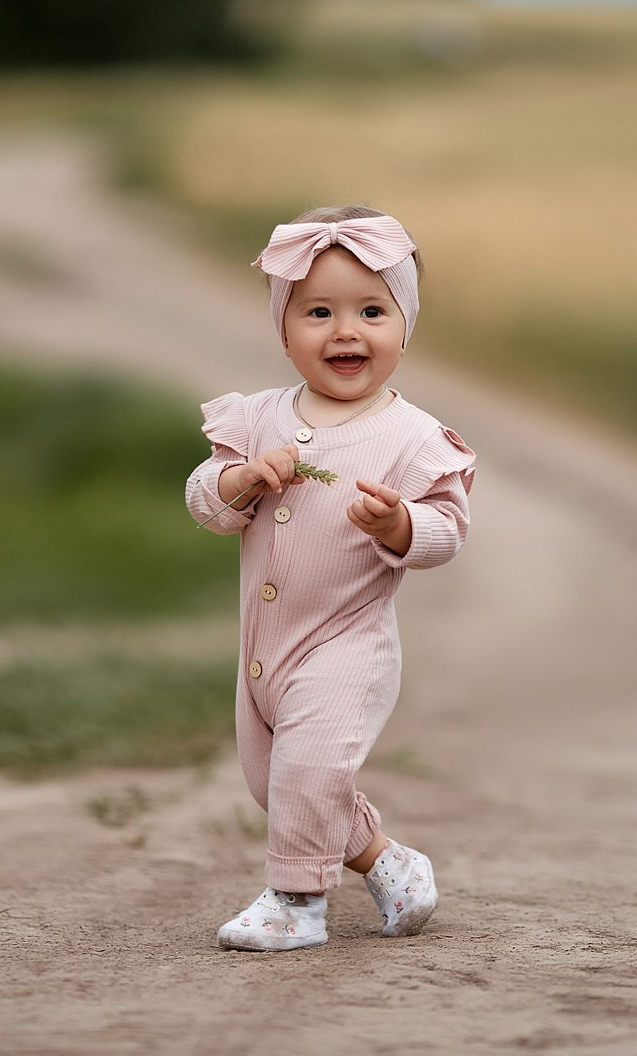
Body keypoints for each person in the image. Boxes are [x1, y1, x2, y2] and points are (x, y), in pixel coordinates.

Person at [184, 206, 477, 951]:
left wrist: (400, 524)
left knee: (308, 769)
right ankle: (391, 864)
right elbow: (205, 502)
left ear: (403, 326)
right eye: (318, 311)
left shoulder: (410, 436)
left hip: (347, 646)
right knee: (278, 784)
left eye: (372, 310)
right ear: (285, 331)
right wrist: (242, 479)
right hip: (264, 650)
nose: (346, 331)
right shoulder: (255, 419)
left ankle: (297, 902)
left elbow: (447, 530)